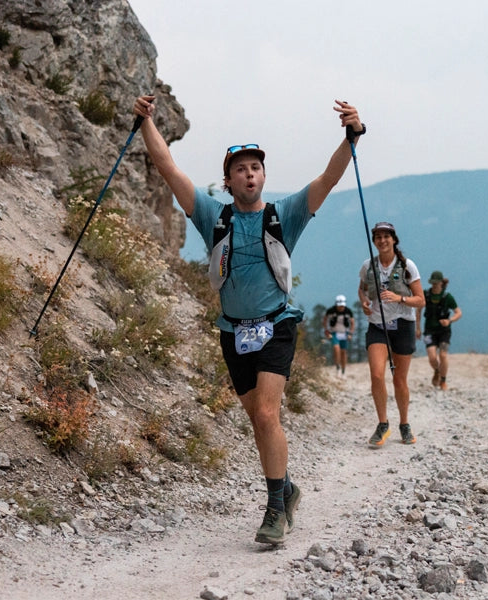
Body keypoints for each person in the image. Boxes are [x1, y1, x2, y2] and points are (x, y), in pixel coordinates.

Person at [132, 95, 364, 545]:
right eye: (240, 168)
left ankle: (275, 510)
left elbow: (329, 178)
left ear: (263, 175)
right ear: (229, 178)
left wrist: (351, 137)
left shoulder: (286, 215)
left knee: (265, 412)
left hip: (277, 324)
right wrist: (145, 122)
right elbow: (169, 169)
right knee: (258, 421)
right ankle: (287, 488)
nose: (249, 173)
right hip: (233, 332)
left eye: (255, 167)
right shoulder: (212, 217)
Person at [357, 222, 424, 447]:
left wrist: (400, 299)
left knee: (399, 379)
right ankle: (382, 423)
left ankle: (404, 424)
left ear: (394, 239)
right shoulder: (368, 266)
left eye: (386, 236)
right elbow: (362, 289)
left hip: (403, 325)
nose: (382, 240)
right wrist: (364, 302)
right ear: (374, 241)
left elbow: (420, 300)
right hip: (378, 325)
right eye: (378, 237)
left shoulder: (408, 266)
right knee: (377, 374)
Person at [419, 270, 461, 391]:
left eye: (437, 283)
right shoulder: (426, 295)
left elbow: (458, 312)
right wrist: (417, 327)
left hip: (444, 331)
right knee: (432, 357)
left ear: (441, 283)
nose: (435, 285)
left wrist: (450, 320)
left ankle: (443, 380)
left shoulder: (447, 297)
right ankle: (437, 371)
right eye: (433, 283)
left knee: (443, 355)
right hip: (429, 330)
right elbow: (419, 310)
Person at [324, 294, 355, 376]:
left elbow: (352, 323)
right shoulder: (331, 311)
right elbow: (325, 320)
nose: (341, 307)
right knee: (336, 348)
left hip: (344, 333)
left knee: (343, 352)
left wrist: (351, 333)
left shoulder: (348, 311)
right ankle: (337, 367)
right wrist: (326, 330)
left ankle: (343, 371)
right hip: (334, 332)